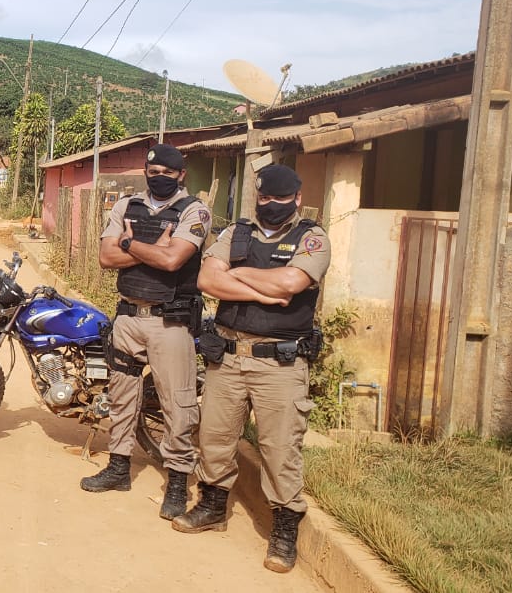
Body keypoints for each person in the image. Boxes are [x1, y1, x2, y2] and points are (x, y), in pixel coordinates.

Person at [172, 164, 330, 574]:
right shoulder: (235, 233)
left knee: (279, 448)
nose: (271, 204)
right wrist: (261, 288)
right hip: (228, 355)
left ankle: (284, 528)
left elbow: (291, 283)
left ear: (297, 199)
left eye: (280, 198)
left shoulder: (311, 238)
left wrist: (238, 273)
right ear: (256, 197)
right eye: (264, 198)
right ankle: (212, 506)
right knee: (215, 436)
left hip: (279, 363)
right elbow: (209, 281)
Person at [82, 144, 210, 522]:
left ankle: (177, 482)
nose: (159, 178)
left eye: (168, 173)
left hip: (169, 323)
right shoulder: (126, 206)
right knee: (122, 396)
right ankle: (119, 467)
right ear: (145, 172)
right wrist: (149, 247)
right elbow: (106, 258)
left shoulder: (194, 211)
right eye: (153, 172)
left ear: (181, 175)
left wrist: (128, 242)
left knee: (177, 405)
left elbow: (173, 261)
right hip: (128, 318)